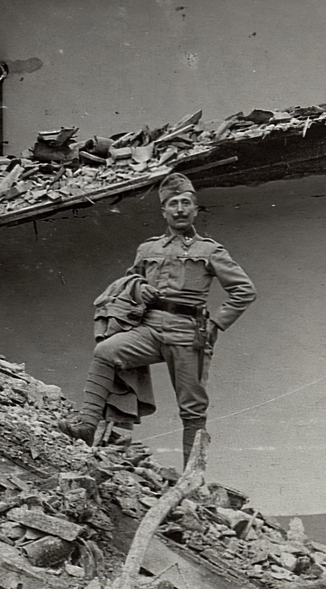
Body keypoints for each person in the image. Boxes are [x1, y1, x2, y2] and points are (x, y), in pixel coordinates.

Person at [59, 173, 255, 460]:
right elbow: (127, 284)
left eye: (186, 202)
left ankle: (193, 475)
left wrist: (216, 324)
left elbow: (244, 290)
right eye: (173, 203)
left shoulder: (210, 250)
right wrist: (141, 289)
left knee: (192, 407)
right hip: (149, 330)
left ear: (195, 210)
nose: (180, 209)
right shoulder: (147, 249)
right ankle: (88, 425)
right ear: (163, 211)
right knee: (105, 351)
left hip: (189, 333)